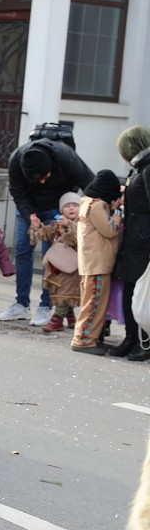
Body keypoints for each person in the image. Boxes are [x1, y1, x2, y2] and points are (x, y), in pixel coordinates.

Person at [0, 130, 94, 324]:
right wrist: (29, 215)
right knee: (23, 251)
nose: (42, 181)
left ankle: (46, 306)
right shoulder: (16, 160)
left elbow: (90, 183)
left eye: (45, 176)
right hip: (30, 207)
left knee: (53, 259)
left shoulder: (65, 156)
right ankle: (21, 304)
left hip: (55, 207)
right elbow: (18, 192)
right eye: (36, 179)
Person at [71, 170, 122, 354]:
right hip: (97, 265)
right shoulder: (96, 205)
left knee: (95, 304)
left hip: (93, 264)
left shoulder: (87, 203)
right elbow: (111, 229)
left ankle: (90, 338)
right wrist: (117, 211)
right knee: (93, 305)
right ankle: (83, 340)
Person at [113, 126, 150, 360]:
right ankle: (131, 338)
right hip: (135, 240)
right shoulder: (139, 167)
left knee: (139, 293)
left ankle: (142, 343)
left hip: (143, 241)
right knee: (130, 290)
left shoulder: (147, 169)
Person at [29, 193, 81, 333]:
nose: (71, 208)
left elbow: (81, 237)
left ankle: (56, 320)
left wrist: (69, 224)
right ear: (61, 209)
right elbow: (44, 233)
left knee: (66, 292)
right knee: (60, 291)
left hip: (74, 267)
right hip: (58, 266)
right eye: (67, 206)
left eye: (75, 205)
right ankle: (70, 316)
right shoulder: (56, 224)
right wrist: (37, 226)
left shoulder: (83, 224)